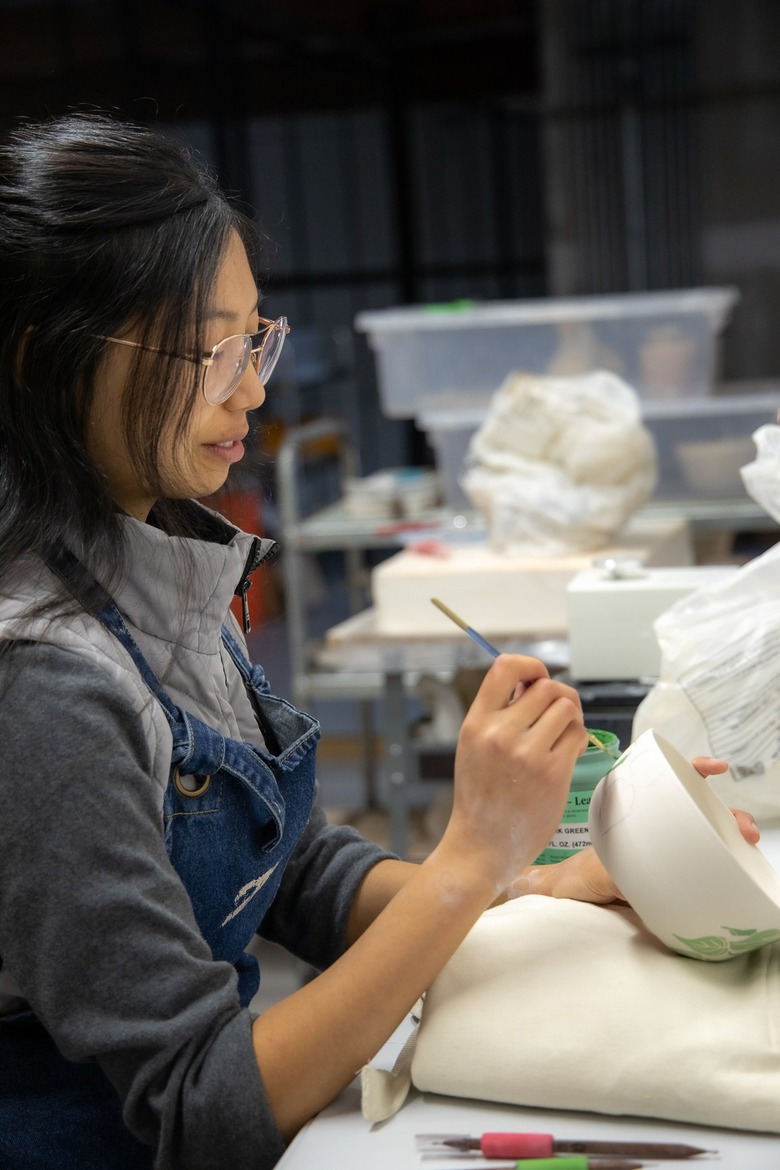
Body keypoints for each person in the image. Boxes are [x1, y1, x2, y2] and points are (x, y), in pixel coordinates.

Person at [0, 112, 759, 1170]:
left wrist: (534, 881)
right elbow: (200, 1109)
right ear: (45, 361)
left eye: (254, 339)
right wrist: (469, 860)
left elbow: (292, 872)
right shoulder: (42, 688)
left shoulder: (157, 558)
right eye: (209, 351)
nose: (252, 390)